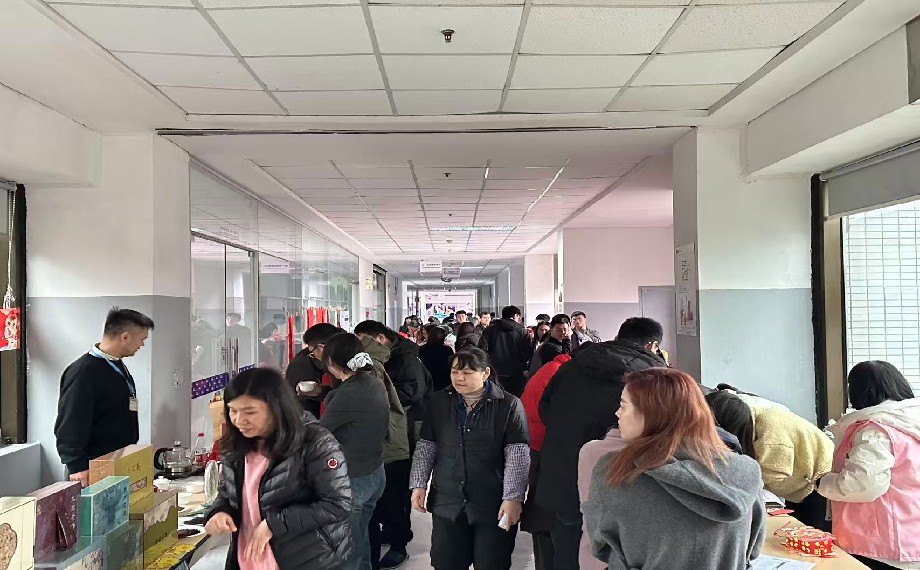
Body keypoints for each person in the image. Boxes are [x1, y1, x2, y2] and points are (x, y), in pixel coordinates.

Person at [582, 368, 765, 570]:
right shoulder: (747, 472)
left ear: (652, 413)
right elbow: (753, 549)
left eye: (623, 405)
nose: (617, 413)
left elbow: (601, 547)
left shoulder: (614, 470)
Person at [535, 317, 666, 570]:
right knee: (610, 555)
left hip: (563, 472)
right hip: (620, 480)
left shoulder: (573, 364)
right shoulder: (652, 377)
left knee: (566, 549)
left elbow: (545, 409)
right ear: (652, 345)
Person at [204, 368, 352, 570]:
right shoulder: (235, 446)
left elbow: (337, 504)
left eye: (250, 412)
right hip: (248, 559)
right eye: (233, 411)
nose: (239, 420)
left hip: (307, 559)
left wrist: (273, 524)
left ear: (276, 408)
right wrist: (219, 512)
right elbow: (228, 493)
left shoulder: (315, 442)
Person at [409, 348, 530, 570]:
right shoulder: (439, 402)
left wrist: (513, 498)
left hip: (492, 503)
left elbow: (517, 455)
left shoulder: (508, 404)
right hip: (447, 501)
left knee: (491, 563)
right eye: (455, 372)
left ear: (485, 373)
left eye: (467, 372)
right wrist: (419, 484)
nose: (459, 378)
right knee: (446, 562)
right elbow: (427, 446)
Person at [818, 361, 920, 570]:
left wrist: (823, 482)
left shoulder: (875, 430)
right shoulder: (909, 422)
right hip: (910, 532)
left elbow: (862, 485)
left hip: (880, 544)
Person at [705, 389, 833, 530]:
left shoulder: (769, 436)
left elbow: (773, 474)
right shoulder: (748, 417)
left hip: (820, 480)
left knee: (811, 533)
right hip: (803, 479)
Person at [55, 308, 154, 487]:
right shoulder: (83, 372)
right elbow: (70, 422)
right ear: (125, 337)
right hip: (90, 467)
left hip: (115, 459)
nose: (142, 345)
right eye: (142, 339)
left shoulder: (115, 364)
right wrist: (77, 466)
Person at [320, 333, 390, 570]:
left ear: (331, 362)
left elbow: (318, 434)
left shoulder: (349, 393)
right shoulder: (373, 380)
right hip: (375, 472)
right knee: (361, 537)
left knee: (350, 547)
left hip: (354, 478)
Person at [356, 335, 413, 570]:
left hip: (387, 442)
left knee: (391, 500)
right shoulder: (371, 364)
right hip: (382, 441)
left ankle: (398, 545)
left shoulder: (370, 368)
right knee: (383, 501)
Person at [521, 353, 572, 570]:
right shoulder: (560, 374)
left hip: (534, 441)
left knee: (539, 503)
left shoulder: (551, 368)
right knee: (543, 507)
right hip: (544, 444)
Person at [354, 321, 431, 433]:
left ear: (380, 338)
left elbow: (412, 392)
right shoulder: (386, 356)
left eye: (363, 341)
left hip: (409, 419)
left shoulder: (406, 358)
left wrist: (378, 397)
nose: (361, 346)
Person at [477, 305, 533, 397]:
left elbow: (481, 349)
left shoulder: (489, 329)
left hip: (494, 371)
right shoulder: (522, 331)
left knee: (495, 398)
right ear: (515, 316)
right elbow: (528, 352)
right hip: (516, 372)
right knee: (514, 399)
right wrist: (523, 366)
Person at [286, 323, 340, 417]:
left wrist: (321, 390)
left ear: (321, 347)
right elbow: (302, 404)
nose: (313, 355)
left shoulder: (338, 362)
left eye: (312, 351)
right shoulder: (301, 365)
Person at [419, 325, 454, 394]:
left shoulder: (422, 349)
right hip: (443, 378)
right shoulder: (447, 350)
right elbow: (451, 363)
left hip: (426, 377)